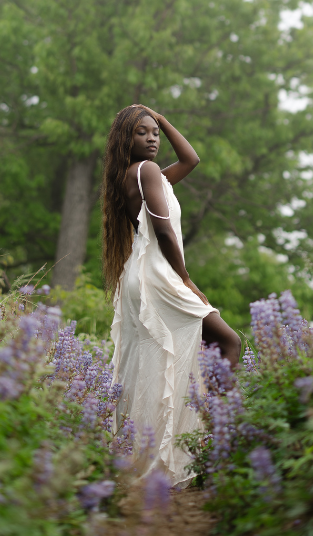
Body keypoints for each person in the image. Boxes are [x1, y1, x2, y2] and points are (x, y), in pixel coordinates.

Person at [103, 104, 241, 486]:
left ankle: (159, 453)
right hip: (159, 276)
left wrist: (161, 119)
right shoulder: (146, 171)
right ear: (125, 139)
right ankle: (221, 446)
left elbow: (191, 159)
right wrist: (187, 279)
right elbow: (163, 230)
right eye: (141, 132)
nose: (151, 139)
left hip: (142, 276)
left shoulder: (145, 175)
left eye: (155, 133)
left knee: (158, 363)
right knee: (228, 342)